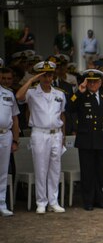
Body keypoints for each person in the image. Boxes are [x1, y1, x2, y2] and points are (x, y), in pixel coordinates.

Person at [16, 61, 67, 214]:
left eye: (49, 75)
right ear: (39, 76)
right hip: (39, 133)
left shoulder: (59, 93)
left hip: (56, 134)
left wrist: (63, 135)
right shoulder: (31, 92)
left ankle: (53, 201)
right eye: (44, 75)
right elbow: (18, 96)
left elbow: (62, 115)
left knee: (55, 169)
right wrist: (31, 80)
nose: (47, 78)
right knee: (41, 168)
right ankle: (41, 202)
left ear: (53, 76)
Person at [68, 69, 103, 211]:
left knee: (99, 172)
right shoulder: (82, 95)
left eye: (95, 81)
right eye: (90, 81)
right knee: (87, 172)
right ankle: (88, 201)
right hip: (86, 139)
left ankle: (100, 199)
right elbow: (69, 108)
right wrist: (79, 91)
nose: (92, 84)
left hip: (102, 139)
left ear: (100, 82)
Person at [0, 67, 20, 217]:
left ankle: (2, 203)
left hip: (5, 134)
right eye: (2, 77)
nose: (4, 80)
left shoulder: (9, 93)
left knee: (3, 172)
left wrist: (15, 140)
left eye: (7, 78)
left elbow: (15, 118)